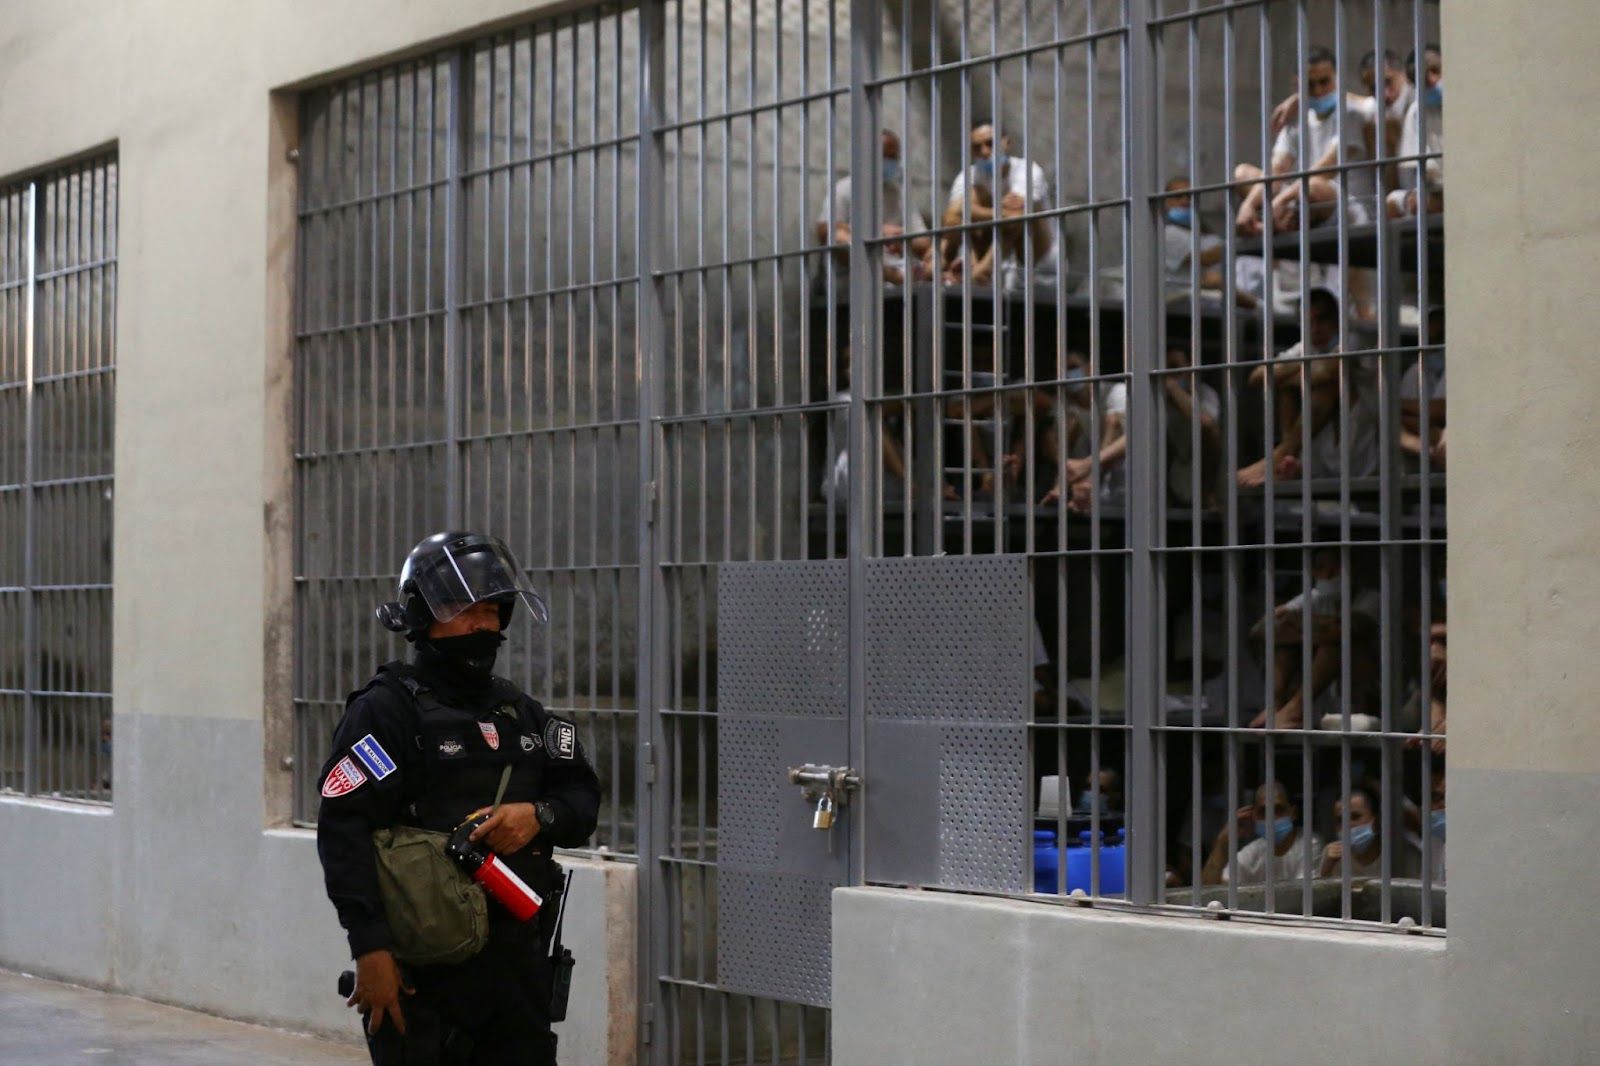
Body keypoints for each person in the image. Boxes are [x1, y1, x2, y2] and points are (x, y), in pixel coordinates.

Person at [318, 531, 602, 1065]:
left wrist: (539, 816)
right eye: (462, 607)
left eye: (492, 610)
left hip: (518, 971)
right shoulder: (386, 714)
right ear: (423, 617)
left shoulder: (525, 716)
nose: (481, 624)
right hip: (422, 974)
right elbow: (344, 831)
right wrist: (370, 948)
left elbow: (582, 799)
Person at [1045, 344, 1220, 510]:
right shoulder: (1154, 400)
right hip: (1159, 485)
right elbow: (1052, 440)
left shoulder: (1204, 394)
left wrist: (1172, 386)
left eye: (1174, 367)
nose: (1169, 375)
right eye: (1165, 368)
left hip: (1190, 483)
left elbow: (1206, 424)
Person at [1237, 288, 1379, 488]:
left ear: (1337, 321)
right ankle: (1288, 460)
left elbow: (1327, 373)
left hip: (1359, 442)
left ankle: (1280, 455)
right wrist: (1301, 363)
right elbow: (1256, 377)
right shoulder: (1306, 347)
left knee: (1328, 385)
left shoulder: (1353, 340)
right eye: (1307, 322)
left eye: (1321, 320)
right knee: (1287, 387)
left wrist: (1290, 372)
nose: (1314, 329)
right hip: (1323, 445)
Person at [1235, 46, 1377, 237]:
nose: (1317, 90)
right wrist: (1248, 205)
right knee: (1242, 174)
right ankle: (1279, 220)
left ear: (1337, 79)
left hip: (1349, 207)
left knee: (1314, 185)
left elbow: (1325, 169)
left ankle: (1279, 219)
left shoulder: (1352, 113)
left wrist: (1279, 202)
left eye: (1324, 82)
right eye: (1309, 84)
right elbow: (1277, 170)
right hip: (1302, 200)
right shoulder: (1296, 118)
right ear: (1297, 85)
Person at [1249, 546, 1381, 730]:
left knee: (1335, 643)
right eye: (1320, 567)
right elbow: (1260, 630)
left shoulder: (1371, 599)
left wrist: (1299, 624)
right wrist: (1313, 628)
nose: (1328, 574)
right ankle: (1276, 706)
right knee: (1284, 645)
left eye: (1336, 568)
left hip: (1363, 686)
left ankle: (1296, 709)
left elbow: (1344, 631)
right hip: (1321, 691)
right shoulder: (1312, 599)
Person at [936, 122, 1059, 291]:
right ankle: (972, 267)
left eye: (991, 143)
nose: (985, 152)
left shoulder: (1027, 170)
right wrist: (999, 211)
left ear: (1006, 143)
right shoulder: (968, 176)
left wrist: (972, 211)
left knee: (1018, 217)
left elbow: (1016, 216)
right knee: (972, 198)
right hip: (1000, 265)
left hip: (1038, 262)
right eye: (977, 147)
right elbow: (950, 217)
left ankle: (982, 271)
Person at [814, 128, 932, 285]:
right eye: (884, 157)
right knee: (840, 238)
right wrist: (879, 232)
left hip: (896, 265)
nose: (889, 162)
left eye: (893, 158)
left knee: (936, 253)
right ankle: (894, 275)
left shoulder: (898, 194)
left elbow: (924, 241)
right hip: (853, 273)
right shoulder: (845, 188)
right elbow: (825, 230)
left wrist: (901, 237)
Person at [1201, 781, 1323, 886]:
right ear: (1253, 816)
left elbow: (1302, 895)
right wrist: (1223, 840)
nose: (1270, 817)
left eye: (1278, 810)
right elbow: (1208, 889)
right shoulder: (1251, 852)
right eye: (1263, 811)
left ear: (1293, 813)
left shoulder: (1310, 844)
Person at [1387, 44, 1444, 219]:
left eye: (1436, 70)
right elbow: (1426, 171)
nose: (1432, 80)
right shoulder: (1416, 111)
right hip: (1439, 191)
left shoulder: (1470, 101)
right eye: (1422, 77)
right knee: (1393, 202)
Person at [1319, 787, 1403, 879]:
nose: (1347, 825)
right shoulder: (1331, 855)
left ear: (1377, 821)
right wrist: (1326, 870)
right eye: (1340, 820)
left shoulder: (1398, 854)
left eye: (1355, 817)